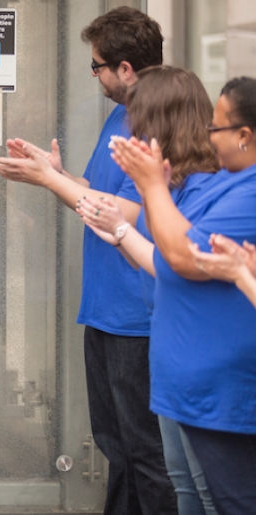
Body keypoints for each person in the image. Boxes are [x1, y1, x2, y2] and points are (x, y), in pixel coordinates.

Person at [0, 6, 176, 515]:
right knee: (117, 445)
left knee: (146, 451)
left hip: (137, 314)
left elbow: (126, 214)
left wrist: (51, 182)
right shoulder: (120, 114)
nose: (94, 76)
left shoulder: (157, 122)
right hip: (106, 308)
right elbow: (96, 193)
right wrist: (56, 173)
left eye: (97, 67)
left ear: (126, 69)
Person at [75, 66, 219, 515]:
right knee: (176, 474)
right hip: (169, 343)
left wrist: (123, 220)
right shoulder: (172, 182)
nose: (131, 127)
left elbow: (174, 261)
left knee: (192, 481)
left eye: (139, 118)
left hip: (192, 350)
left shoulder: (206, 188)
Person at [110, 76, 256, 515]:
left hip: (225, 392)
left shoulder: (241, 189)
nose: (211, 138)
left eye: (219, 128)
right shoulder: (233, 181)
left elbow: (180, 255)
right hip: (196, 387)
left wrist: (152, 190)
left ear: (245, 135)